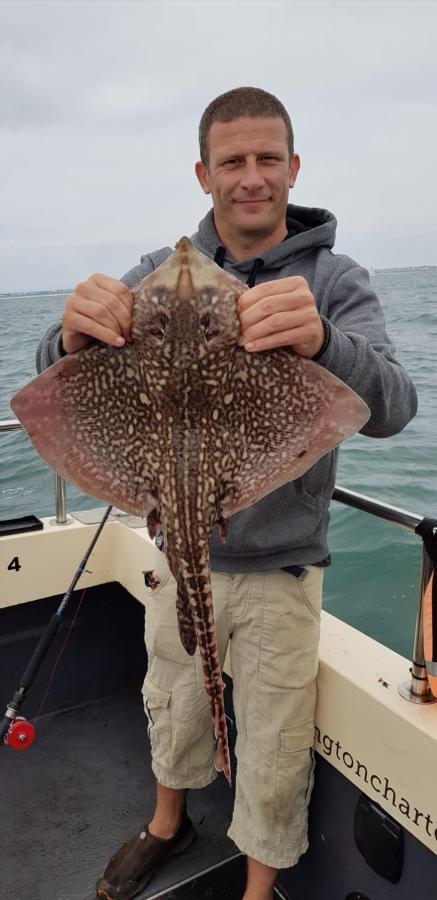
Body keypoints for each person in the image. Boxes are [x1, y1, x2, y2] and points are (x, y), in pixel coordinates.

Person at [37, 87, 418, 900]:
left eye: (266, 159)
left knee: (274, 743)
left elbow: (393, 407)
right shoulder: (156, 274)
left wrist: (323, 342)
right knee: (173, 695)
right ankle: (166, 823)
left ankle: (255, 889)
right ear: (204, 174)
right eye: (232, 161)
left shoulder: (335, 278)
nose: (250, 176)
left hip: (281, 567)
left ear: (293, 167)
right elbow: (53, 380)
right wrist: (64, 332)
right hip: (176, 547)